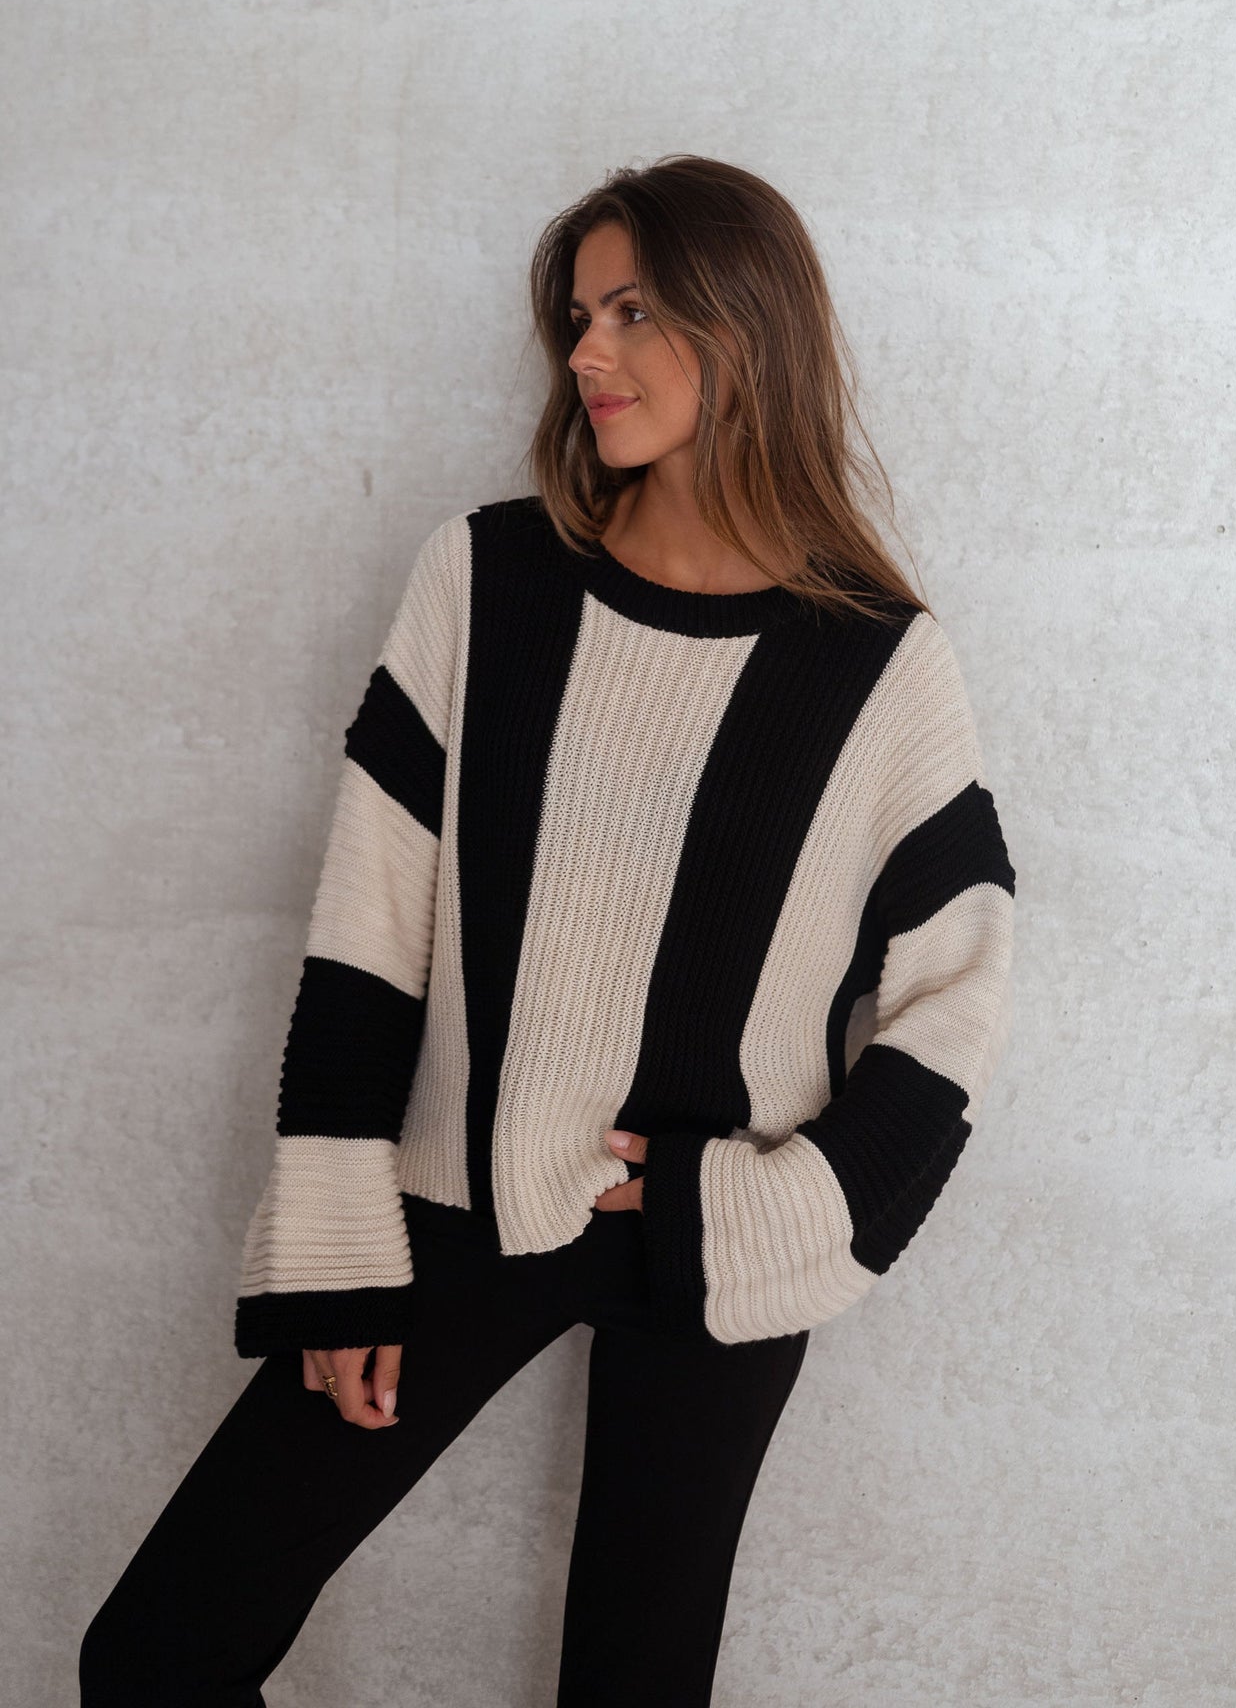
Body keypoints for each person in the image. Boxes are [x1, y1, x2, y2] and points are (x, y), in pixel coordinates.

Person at [79, 154, 1017, 1707]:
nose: (586, 352)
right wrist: (337, 1252)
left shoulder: (877, 664)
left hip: (717, 1233)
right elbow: (368, 931)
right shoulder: (487, 581)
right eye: (580, 316)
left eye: (633, 311)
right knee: (159, 1651)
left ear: (746, 326)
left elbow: (959, 987)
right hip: (460, 1203)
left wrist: (785, 1206)